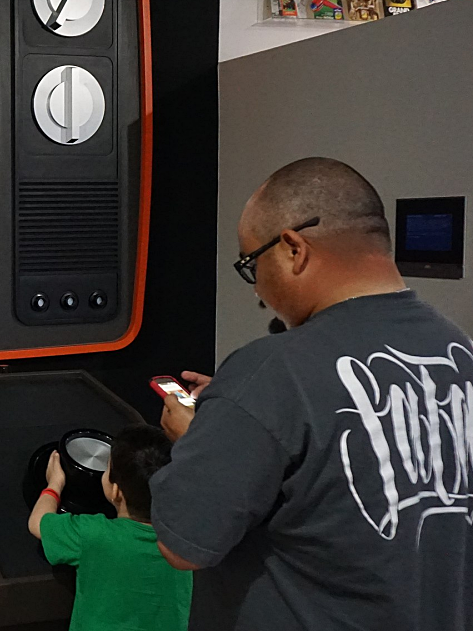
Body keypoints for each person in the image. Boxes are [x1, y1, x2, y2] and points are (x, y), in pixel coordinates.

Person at [150, 158, 473, 630]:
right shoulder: (461, 352)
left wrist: (198, 438)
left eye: (250, 265)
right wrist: (232, 417)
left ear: (292, 249)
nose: (257, 292)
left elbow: (182, 546)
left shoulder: (269, 371)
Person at [29, 424, 192, 631]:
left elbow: (38, 523)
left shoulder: (95, 533)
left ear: (116, 491)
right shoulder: (186, 542)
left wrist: (54, 484)